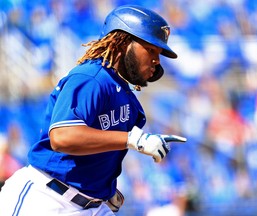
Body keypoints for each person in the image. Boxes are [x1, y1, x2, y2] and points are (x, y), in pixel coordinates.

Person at [0, 4, 186, 216]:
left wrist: (104, 188)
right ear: (122, 42)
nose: (156, 60)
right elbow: (62, 137)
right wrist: (132, 139)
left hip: (93, 206)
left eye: (159, 53)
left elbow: (99, 149)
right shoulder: (91, 78)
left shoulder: (126, 98)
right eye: (151, 49)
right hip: (46, 200)